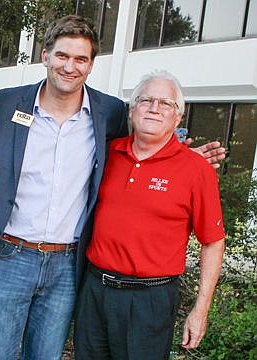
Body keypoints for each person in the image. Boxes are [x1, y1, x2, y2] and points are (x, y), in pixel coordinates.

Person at [0, 15, 225, 360]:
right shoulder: (7, 104)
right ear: (45, 55)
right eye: (62, 56)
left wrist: (183, 158)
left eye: (80, 59)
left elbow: (149, 143)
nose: (70, 66)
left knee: (45, 355)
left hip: (68, 264)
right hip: (11, 255)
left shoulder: (107, 112)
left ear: (91, 65)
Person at [74, 71, 225, 359]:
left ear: (178, 117)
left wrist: (200, 310)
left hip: (149, 301)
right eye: (146, 100)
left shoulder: (196, 169)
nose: (155, 108)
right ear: (132, 110)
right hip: (95, 291)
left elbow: (213, 242)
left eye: (165, 103)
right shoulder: (106, 155)